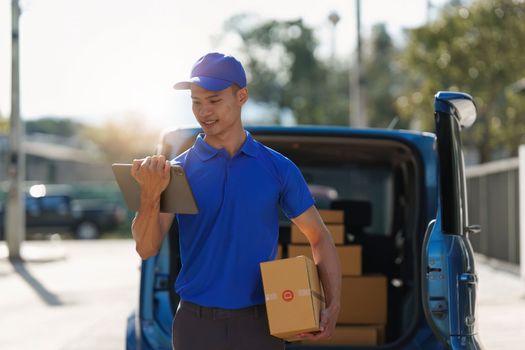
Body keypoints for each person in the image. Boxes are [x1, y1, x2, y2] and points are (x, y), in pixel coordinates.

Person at [130, 52, 341, 350]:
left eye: (214, 100)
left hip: (261, 325)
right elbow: (146, 247)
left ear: (241, 96)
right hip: (195, 326)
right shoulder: (177, 172)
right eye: (196, 101)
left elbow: (319, 236)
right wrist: (150, 195)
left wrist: (332, 306)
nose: (204, 111)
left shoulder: (277, 168)